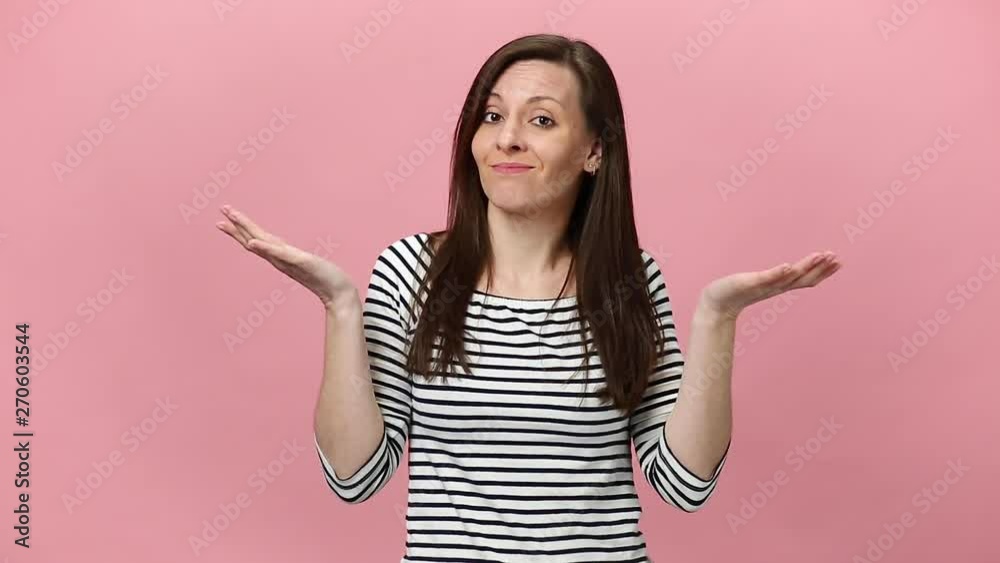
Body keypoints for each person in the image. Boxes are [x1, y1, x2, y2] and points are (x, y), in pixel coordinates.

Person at [217, 33, 841, 563]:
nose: (508, 139)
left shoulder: (629, 280)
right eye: (492, 117)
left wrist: (717, 319)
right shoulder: (411, 271)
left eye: (541, 120)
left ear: (594, 150)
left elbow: (684, 485)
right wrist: (340, 307)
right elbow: (355, 476)